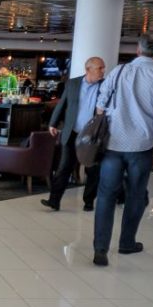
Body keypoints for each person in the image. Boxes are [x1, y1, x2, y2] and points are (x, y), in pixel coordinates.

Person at [92, 33, 153, 267]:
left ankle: (101, 248)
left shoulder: (118, 71)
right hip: (141, 147)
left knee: (106, 195)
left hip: (113, 145)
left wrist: (110, 119)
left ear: (137, 50)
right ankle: (127, 243)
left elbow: (100, 105)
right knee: (136, 196)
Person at [41, 57, 105, 212]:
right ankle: (54, 201)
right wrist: (53, 123)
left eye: (103, 68)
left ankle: (88, 201)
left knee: (92, 170)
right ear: (88, 69)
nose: (103, 71)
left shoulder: (106, 86)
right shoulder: (73, 83)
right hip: (72, 132)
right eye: (100, 68)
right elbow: (62, 104)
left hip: (92, 136)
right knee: (63, 168)